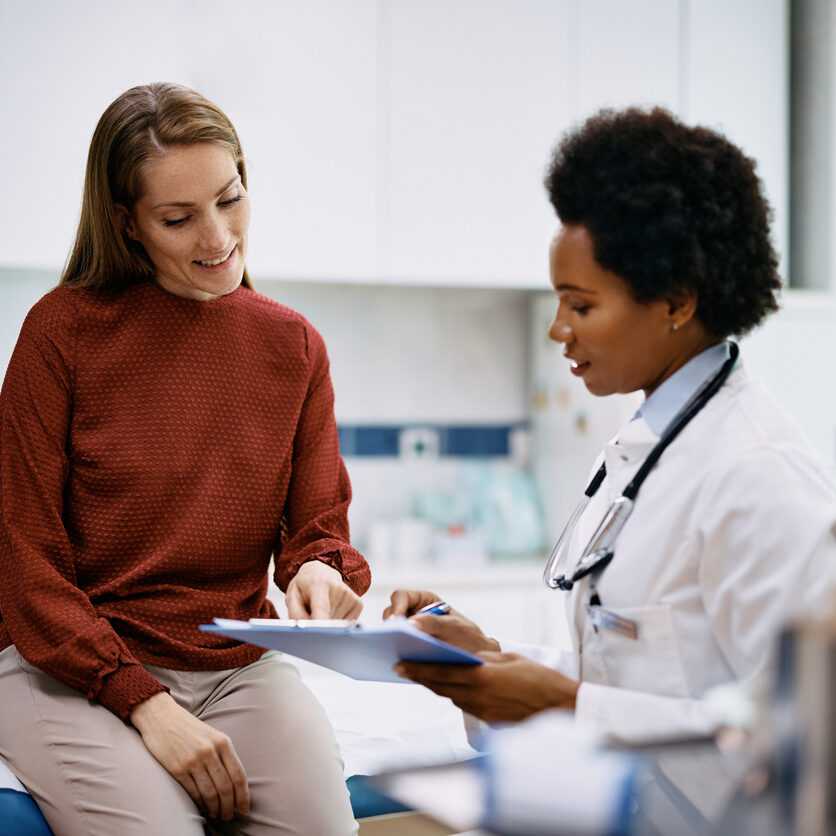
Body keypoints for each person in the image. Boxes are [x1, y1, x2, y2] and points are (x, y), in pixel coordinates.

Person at [387, 107, 836, 744]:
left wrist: (567, 707)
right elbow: (645, 686)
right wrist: (484, 658)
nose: (558, 329)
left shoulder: (758, 475)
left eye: (582, 304)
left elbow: (807, 735)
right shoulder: (653, 446)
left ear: (677, 301)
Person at [0, 82, 369, 835]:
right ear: (126, 223)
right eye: (178, 217)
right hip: (65, 667)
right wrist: (146, 704)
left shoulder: (293, 346)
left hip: (235, 666)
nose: (217, 236)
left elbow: (317, 528)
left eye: (229, 199)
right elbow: (25, 567)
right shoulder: (61, 335)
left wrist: (320, 573)